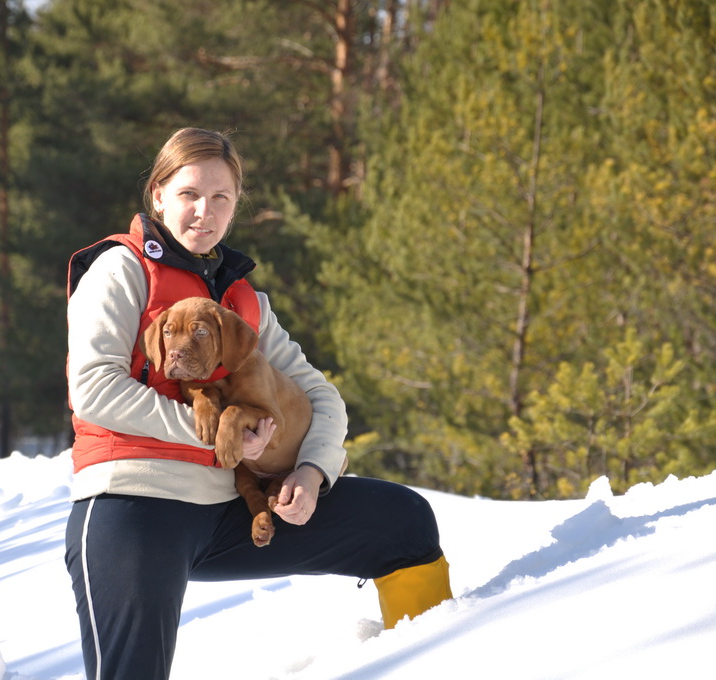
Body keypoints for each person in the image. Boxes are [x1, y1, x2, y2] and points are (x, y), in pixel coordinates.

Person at [65, 127, 452, 680]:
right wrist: (217, 432)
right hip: (135, 504)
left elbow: (321, 395)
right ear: (158, 195)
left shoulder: (245, 302)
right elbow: (95, 388)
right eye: (189, 194)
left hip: (233, 508)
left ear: (235, 205)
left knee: (402, 522)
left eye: (220, 197)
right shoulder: (120, 270)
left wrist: (313, 472)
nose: (205, 211)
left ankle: (443, 661)